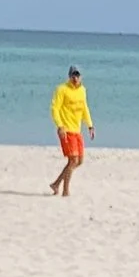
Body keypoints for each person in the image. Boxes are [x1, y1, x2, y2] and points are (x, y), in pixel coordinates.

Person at [49, 61, 93, 197]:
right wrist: (60, 125)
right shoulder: (61, 89)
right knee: (72, 160)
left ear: (81, 77)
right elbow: (54, 108)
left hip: (77, 129)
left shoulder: (82, 90)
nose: (75, 78)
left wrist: (90, 125)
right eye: (73, 75)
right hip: (66, 129)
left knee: (79, 161)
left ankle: (56, 184)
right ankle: (65, 190)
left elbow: (85, 108)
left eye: (77, 75)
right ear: (69, 76)